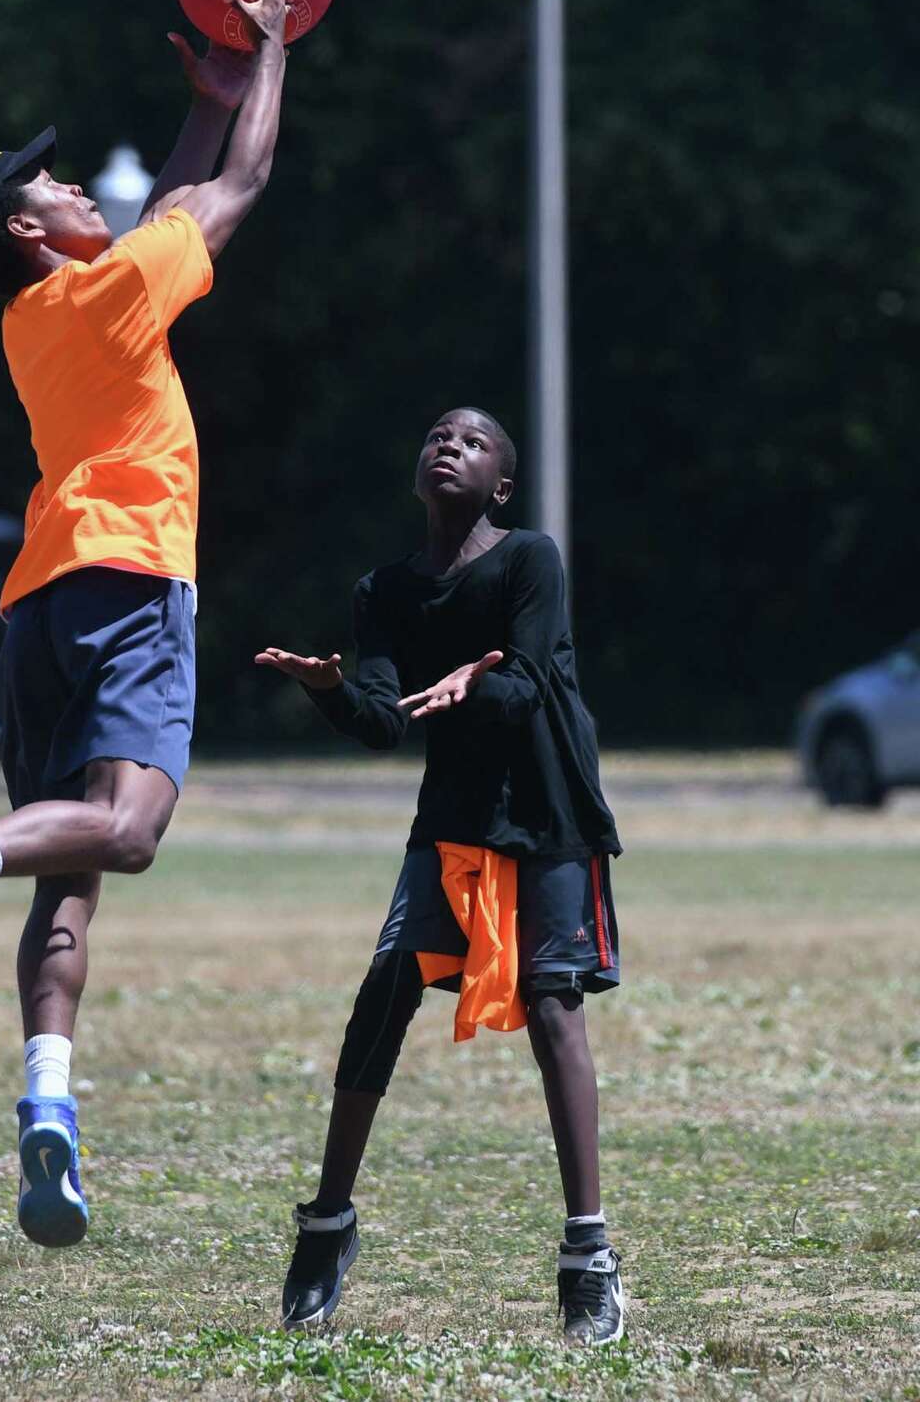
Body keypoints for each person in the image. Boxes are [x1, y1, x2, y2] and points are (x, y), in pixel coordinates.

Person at [0, 0, 297, 1251]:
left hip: (39, 602)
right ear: (35, 229)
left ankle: (50, 1105)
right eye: (50, 180)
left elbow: (167, 195)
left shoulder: (47, 311)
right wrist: (268, 52)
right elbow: (241, 183)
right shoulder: (104, 293)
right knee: (132, 828)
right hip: (129, 581)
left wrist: (205, 92)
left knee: (72, 864)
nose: (76, 179)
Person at [255, 406, 626, 1345]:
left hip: (546, 808)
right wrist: (332, 690)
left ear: (500, 482)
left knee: (553, 1005)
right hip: (455, 816)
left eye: (473, 439)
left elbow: (530, 682)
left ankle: (589, 1256)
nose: (447, 443)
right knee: (386, 988)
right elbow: (385, 720)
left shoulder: (528, 559)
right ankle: (327, 1225)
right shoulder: (384, 591)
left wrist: (474, 678)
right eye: (435, 435)